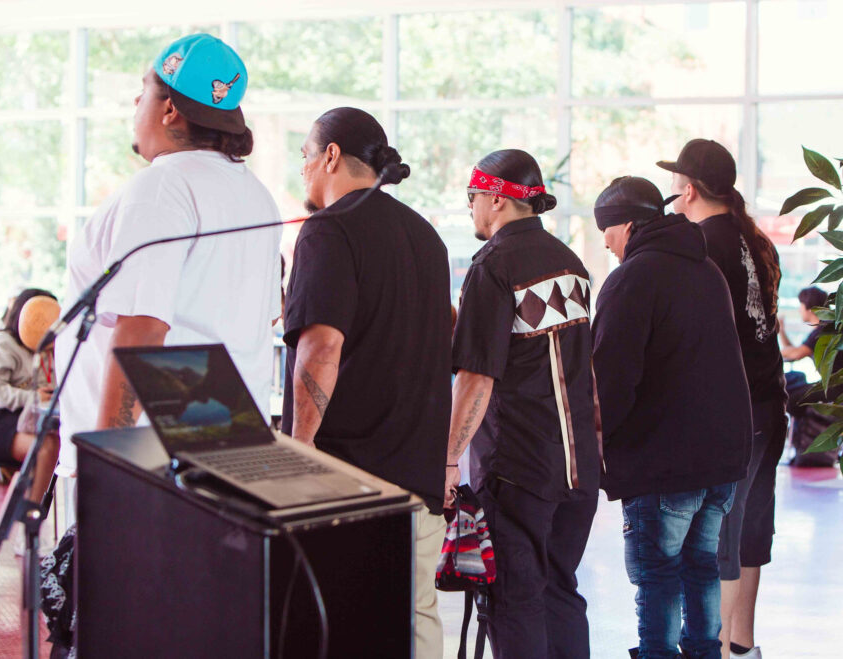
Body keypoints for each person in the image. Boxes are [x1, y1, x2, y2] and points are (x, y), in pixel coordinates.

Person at [56, 33, 282, 485]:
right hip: (227, 451)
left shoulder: (161, 186)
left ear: (169, 108)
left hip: (149, 463)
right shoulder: (256, 196)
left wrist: (107, 468)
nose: (136, 102)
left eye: (144, 90)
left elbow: (141, 329)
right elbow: (268, 318)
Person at [282, 107, 452, 659]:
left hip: (348, 478)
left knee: (342, 624)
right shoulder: (426, 237)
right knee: (414, 617)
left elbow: (322, 346)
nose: (303, 168)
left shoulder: (329, 230)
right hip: (417, 474)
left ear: (330, 155)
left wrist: (296, 452)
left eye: (306, 156)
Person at [445, 149, 600, 659]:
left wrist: (448, 459)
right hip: (579, 470)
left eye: (472, 198)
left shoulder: (494, 264)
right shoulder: (571, 263)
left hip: (519, 469)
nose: (471, 209)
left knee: (514, 598)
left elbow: (476, 377)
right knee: (559, 589)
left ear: (494, 197)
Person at [591, 177, 752, 659]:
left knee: (657, 574)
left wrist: (597, 441)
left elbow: (610, 379)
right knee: (700, 565)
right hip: (721, 456)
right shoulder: (706, 270)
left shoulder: (633, 278)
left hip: (662, 460)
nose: (607, 246)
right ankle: (704, 653)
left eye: (608, 234)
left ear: (625, 225)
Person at [660, 140, 788, 659]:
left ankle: (713, 650)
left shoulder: (698, 246)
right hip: (768, 405)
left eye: (674, 183)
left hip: (731, 413)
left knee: (719, 547)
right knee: (749, 537)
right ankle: (741, 647)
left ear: (687, 190)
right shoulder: (755, 240)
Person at [0, 288, 60, 504]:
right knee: (46, 446)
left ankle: (32, 513)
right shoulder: (1, 343)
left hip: (23, 418)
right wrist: (31, 397)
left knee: (62, 440)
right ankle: (29, 518)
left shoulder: (45, 349)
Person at [779, 286, 843, 416]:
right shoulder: (826, 326)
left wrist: (770, 353)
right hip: (841, 384)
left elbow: (797, 353)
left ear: (810, 308)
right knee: (793, 391)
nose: (799, 310)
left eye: (801, 305)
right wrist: (781, 330)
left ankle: (808, 432)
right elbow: (795, 351)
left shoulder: (823, 331)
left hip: (840, 387)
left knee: (792, 401)